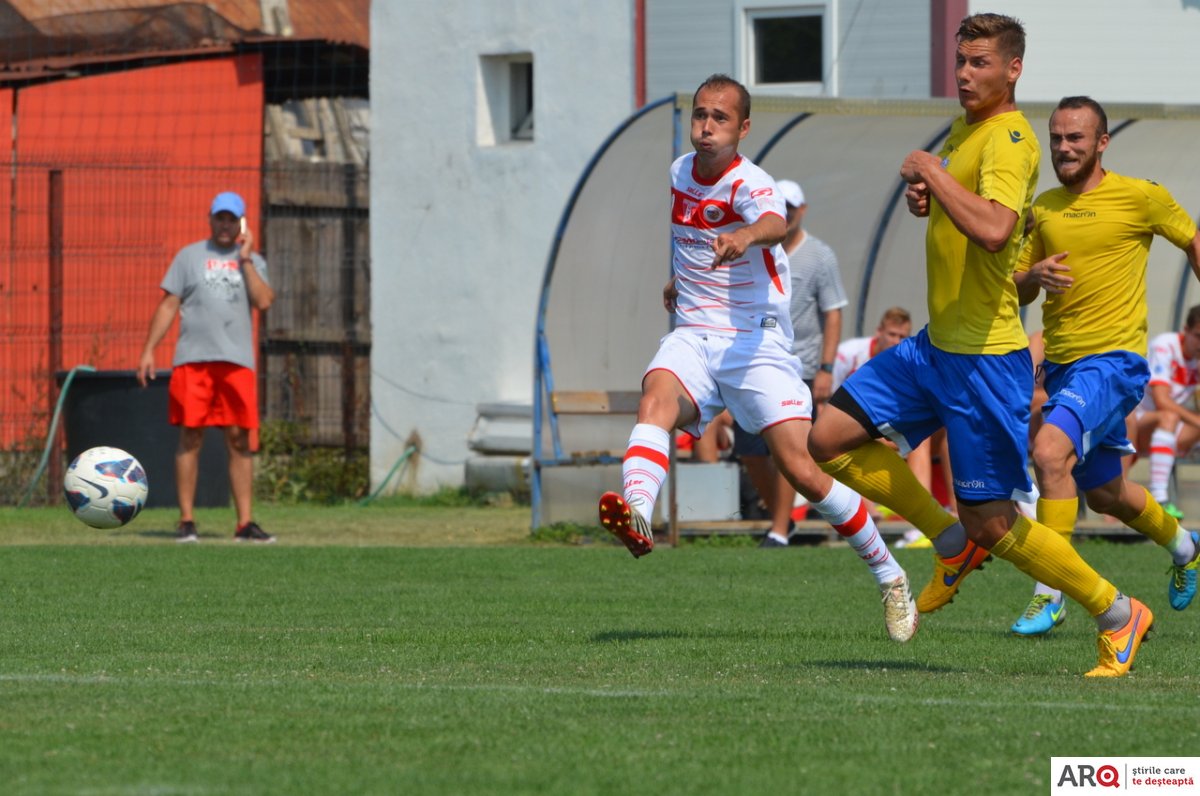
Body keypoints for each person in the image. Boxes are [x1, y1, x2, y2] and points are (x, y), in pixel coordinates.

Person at [807, 14, 1152, 676]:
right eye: (961, 61)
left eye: (980, 63)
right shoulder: (966, 130)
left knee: (997, 523)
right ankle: (948, 539)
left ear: (1013, 69)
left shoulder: (1014, 138)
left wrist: (932, 176)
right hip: (936, 348)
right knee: (825, 441)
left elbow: (995, 229)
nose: (965, 74)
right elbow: (974, 213)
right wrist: (929, 194)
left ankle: (1116, 612)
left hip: (985, 361)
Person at [598, 74, 917, 642]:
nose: (706, 127)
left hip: (755, 340)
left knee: (802, 468)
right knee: (655, 397)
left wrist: (746, 237)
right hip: (695, 331)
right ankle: (639, 514)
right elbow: (690, 236)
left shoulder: (753, 184)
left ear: (743, 128)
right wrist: (681, 278)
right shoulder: (678, 172)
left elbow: (771, 223)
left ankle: (890, 575)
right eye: (699, 115)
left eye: (719, 118)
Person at [1012, 96, 1200, 635]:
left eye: (1076, 138)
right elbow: (1019, 287)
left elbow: (1191, 239)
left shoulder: (1142, 196)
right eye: (1057, 138)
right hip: (1067, 367)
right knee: (1105, 493)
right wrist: (1034, 275)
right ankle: (1187, 549)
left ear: (1102, 143)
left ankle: (1051, 592)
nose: (1064, 147)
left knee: (1048, 452)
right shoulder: (1042, 208)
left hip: (1114, 363)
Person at [137, 191, 276, 544]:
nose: (225, 224)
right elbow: (170, 304)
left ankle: (244, 524)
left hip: (236, 362)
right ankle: (187, 520)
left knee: (238, 439)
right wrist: (149, 349)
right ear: (210, 219)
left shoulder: (253, 261)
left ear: (241, 223)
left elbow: (263, 300)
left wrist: (245, 259)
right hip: (194, 360)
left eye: (232, 219)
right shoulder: (190, 257)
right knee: (190, 437)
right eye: (220, 217)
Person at [733, 178, 849, 548]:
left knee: (788, 449)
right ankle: (780, 520)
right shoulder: (753, 246)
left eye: (791, 208)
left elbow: (832, 313)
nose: (785, 214)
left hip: (800, 365)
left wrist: (826, 370)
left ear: (803, 210)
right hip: (754, 358)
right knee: (750, 450)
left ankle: (780, 529)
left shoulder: (819, 255)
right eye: (778, 207)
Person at [831, 307, 952, 541]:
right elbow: (827, 405)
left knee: (944, 432)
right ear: (879, 332)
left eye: (902, 336)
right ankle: (872, 511)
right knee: (834, 443)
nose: (896, 341)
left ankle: (934, 517)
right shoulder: (849, 354)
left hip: (893, 431)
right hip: (856, 432)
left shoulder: (909, 357)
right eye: (892, 334)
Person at [1133, 307, 1200, 520]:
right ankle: (1159, 498)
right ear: (1185, 330)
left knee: (1172, 420)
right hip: (1137, 424)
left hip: (1169, 432)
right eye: (1198, 336)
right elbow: (1162, 401)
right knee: (1168, 416)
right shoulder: (1165, 345)